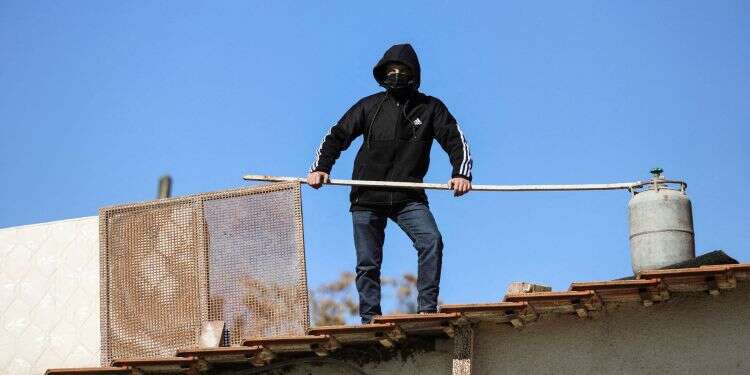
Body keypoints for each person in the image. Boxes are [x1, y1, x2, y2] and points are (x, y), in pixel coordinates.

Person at [307, 43, 473, 323]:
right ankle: (370, 318)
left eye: (402, 70)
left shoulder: (431, 107)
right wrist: (320, 168)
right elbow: (336, 136)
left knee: (431, 241)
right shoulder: (369, 106)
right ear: (383, 74)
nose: (396, 75)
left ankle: (426, 309)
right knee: (368, 263)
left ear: (414, 74)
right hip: (366, 196)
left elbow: (456, 140)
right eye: (391, 70)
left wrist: (461, 174)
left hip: (408, 197)